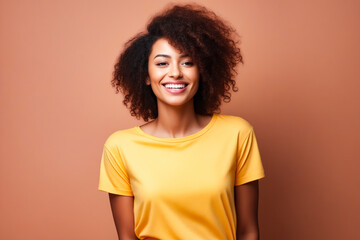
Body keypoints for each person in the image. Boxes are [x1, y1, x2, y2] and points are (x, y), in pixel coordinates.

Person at [98, 3, 265, 240]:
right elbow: (127, 237)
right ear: (146, 75)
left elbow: (248, 232)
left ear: (202, 71)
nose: (175, 72)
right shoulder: (120, 148)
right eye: (162, 63)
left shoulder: (237, 133)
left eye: (187, 62)